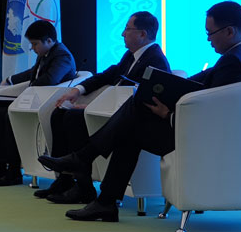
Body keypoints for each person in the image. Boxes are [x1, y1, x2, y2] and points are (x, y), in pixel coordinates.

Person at [39, 1, 241, 222]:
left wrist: (169, 114)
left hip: (202, 136)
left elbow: (212, 108)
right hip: (200, 129)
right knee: (130, 127)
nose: (208, 39)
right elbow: (200, 85)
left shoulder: (234, 62)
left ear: (229, 31)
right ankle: (103, 198)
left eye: (210, 33)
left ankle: (86, 166)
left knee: (135, 112)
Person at [37, 11, 170, 204]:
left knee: (74, 118)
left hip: (131, 118)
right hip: (112, 110)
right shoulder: (131, 56)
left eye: (127, 29)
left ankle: (83, 186)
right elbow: (107, 75)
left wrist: (91, 107)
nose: (122, 34)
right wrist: (77, 90)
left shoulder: (155, 60)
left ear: (142, 34)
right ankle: (65, 179)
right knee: (60, 113)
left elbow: (140, 100)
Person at [0, 20, 76, 186]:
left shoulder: (62, 55)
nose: (32, 48)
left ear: (49, 40)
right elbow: (32, 74)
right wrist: (10, 79)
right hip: (35, 100)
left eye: (35, 44)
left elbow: (50, 79)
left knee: (9, 115)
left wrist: (26, 91)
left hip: (49, 103)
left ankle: (14, 170)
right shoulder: (45, 54)